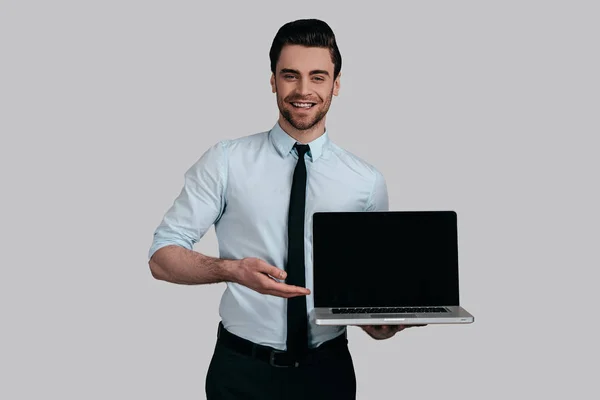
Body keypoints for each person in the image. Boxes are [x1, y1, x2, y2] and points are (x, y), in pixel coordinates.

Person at [148, 18, 414, 400]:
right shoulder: (226, 162)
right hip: (241, 372)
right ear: (273, 81)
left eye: (318, 77)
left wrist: (378, 324)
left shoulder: (366, 182)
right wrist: (233, 270)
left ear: (336, 85)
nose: (303, 90)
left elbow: (365, 289)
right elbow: (161, 257)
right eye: (290, 75)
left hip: (328, 373)